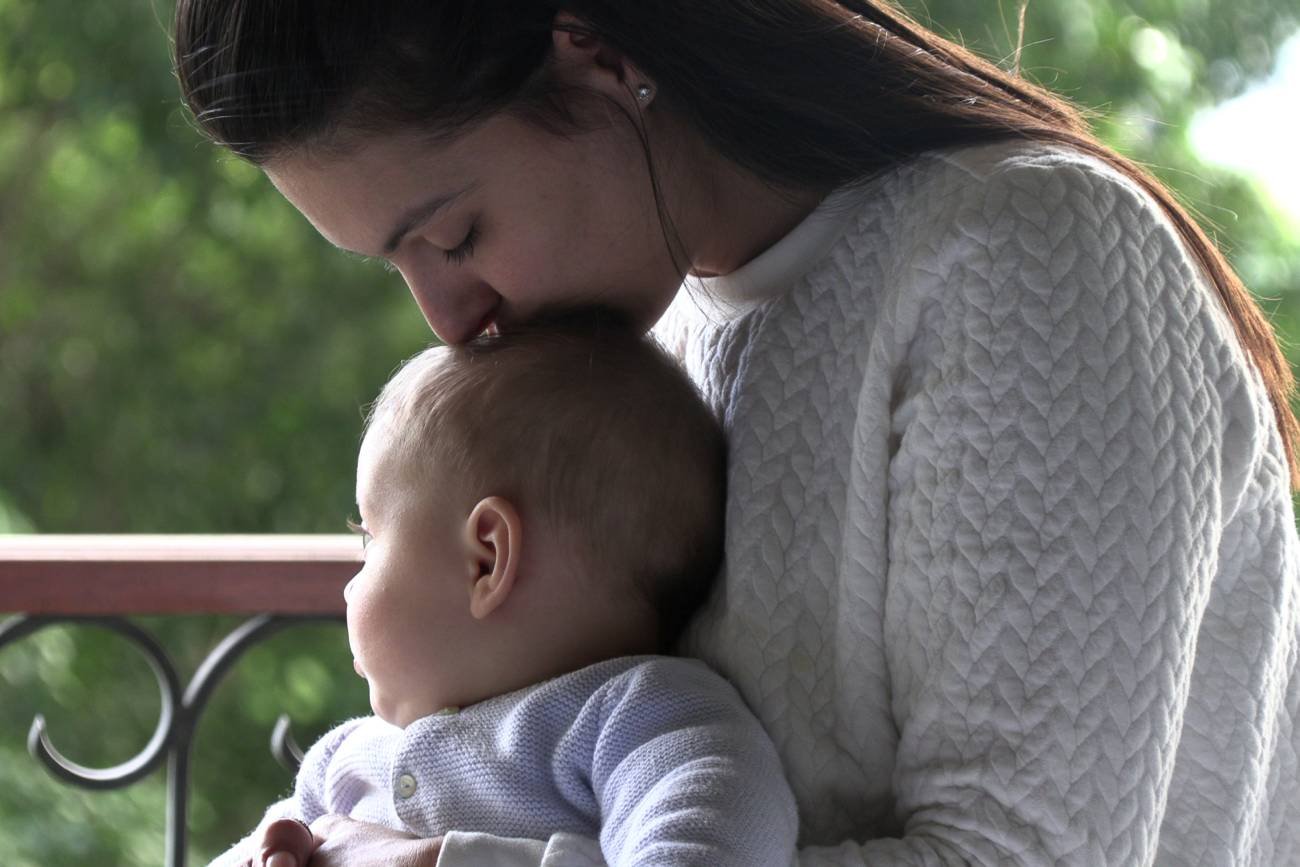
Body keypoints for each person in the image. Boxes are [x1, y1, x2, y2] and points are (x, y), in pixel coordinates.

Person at [174, 1, 1300, 864]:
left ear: (594, 52)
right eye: (397, 266)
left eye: (455, 235)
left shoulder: (1026, 255)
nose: (447, 319)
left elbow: (1023, 855)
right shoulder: (653, 338)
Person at [214, 312, 798, 867]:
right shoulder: (345, 761)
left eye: (369, 536)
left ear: (486, 560)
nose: (347, 590)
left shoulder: (644, 720)